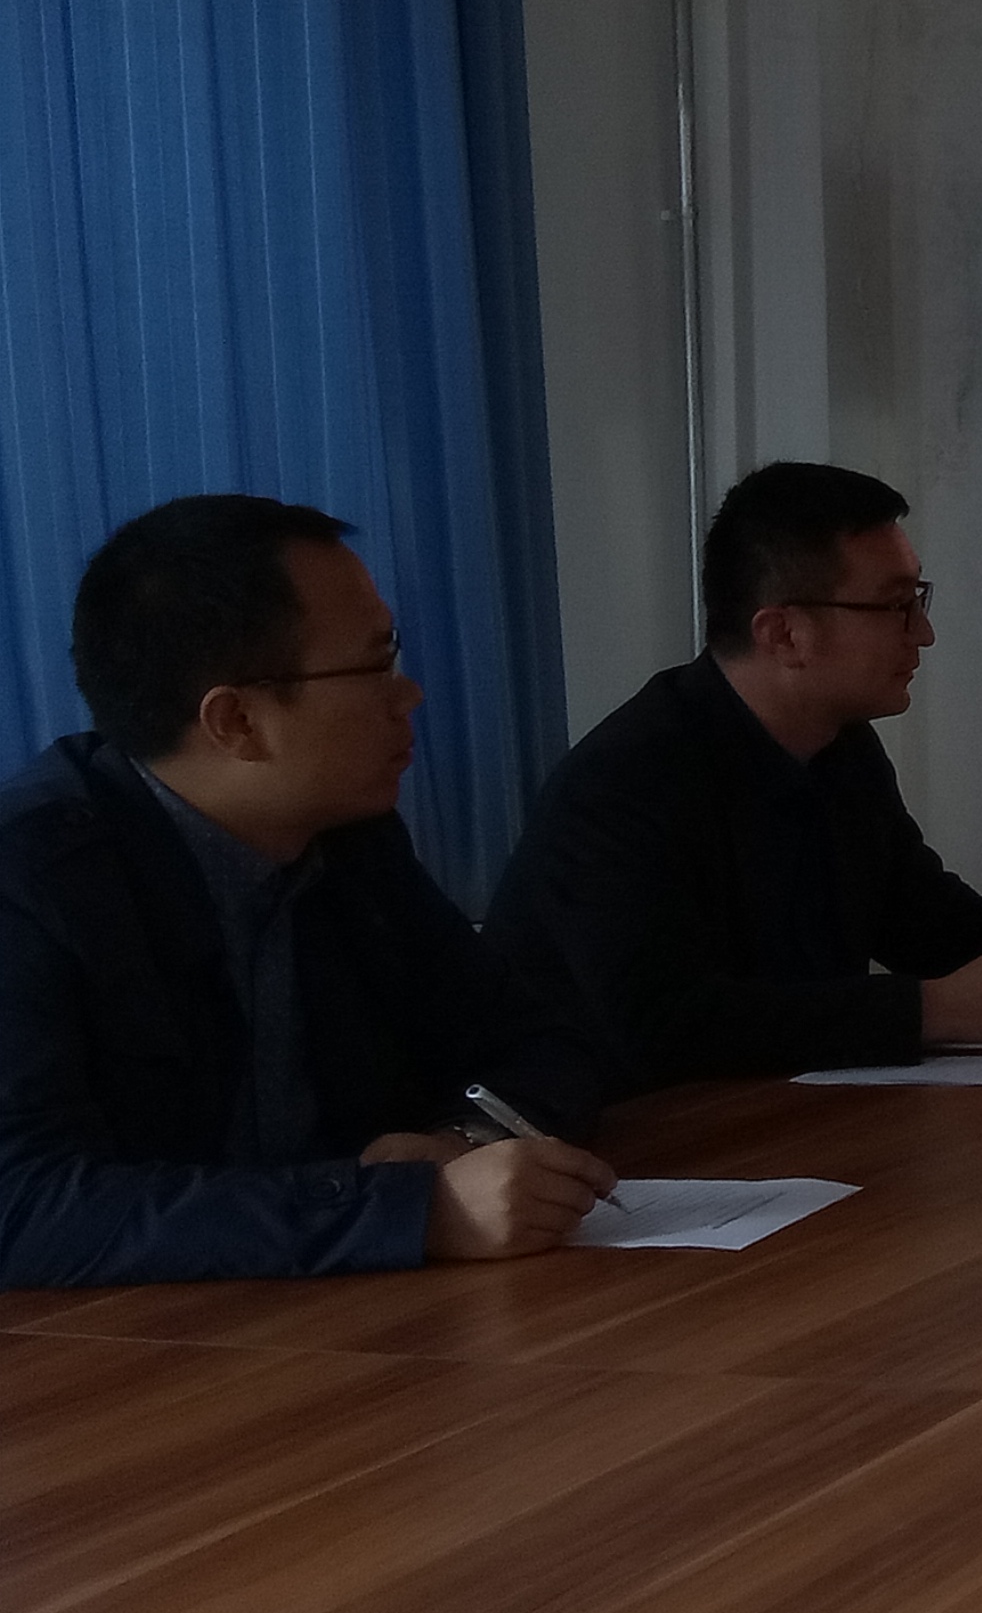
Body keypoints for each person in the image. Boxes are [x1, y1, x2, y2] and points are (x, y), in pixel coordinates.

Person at [0, 496, 614, 1287]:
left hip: (335, 1310)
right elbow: (23, 1206)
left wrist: (459, 1143)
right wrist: (405, 1211)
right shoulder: (31, 880)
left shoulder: (349, 838)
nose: (410, 695)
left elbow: (543, 1041)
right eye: (374, 666)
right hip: (125, 1346)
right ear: (235, 722)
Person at [489, 462, 982, 1093]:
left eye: (919, 600)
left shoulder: (840, 746)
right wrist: (930, 1011)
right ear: (784, 634)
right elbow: (661, 1024)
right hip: (624, 1145)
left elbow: (921, 917)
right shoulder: (621, 783)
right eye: (895, 606)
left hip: (789, 1114)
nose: (923, 634)